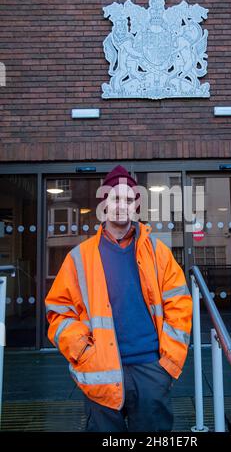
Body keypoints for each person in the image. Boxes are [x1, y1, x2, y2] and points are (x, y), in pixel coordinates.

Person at [45, 165, 193, 432]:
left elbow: (180, 304)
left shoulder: (158, 252)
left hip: (151, 370)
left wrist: (167, 366)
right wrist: (83, 353)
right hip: (99, 371)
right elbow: (58, 312)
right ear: (104, 203)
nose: (122, 205)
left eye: (129, 199)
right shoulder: (80, 257)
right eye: (115, 198)